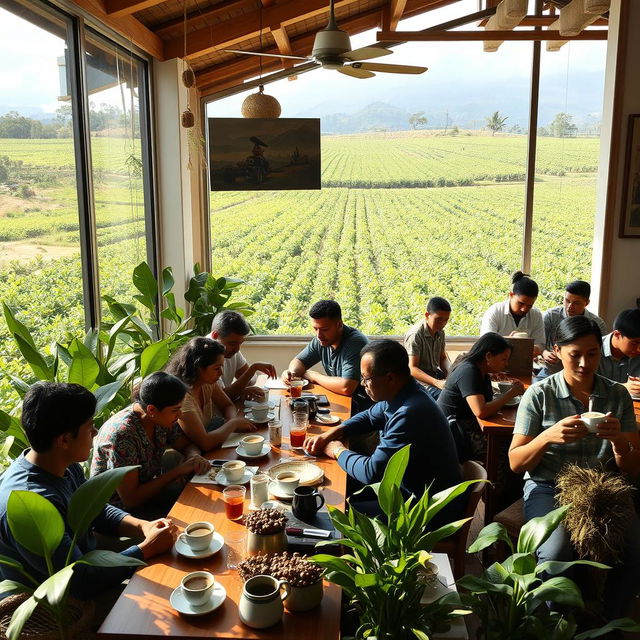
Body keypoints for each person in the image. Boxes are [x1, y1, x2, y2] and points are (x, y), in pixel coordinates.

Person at [509, 316, 640, 620]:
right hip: (548, 487)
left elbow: (632, 466)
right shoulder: (539, 394)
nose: (584, 363)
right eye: (574, 354)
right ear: (558, 350)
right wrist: (547, 436)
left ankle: (610, 621)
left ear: (601, 351)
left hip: (603, 489)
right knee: (555, 554)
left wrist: (619, 440)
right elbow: (516, 463)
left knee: (636, 550)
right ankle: (558, 623)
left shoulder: (616, 395)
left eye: (592, 354)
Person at [0, 382, 176, 601]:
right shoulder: (31, 503)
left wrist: (144, 526)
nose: (95, 432)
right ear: (64, 440)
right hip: (55, 608)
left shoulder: (60, 461)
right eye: (90, 427)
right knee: (165, 597)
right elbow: (79, 581)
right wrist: (146, 549)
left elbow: (93, 509)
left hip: (86, 563)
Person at [303, 340, 462, 522]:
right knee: (341, 490)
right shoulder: (404, 392)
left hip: (428, 509)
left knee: (333, 511)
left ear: (390, 378)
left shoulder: (410, 413)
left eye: (366, 378)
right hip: (406, 490)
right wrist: (333, 432)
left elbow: (372, 473)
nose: (363, 384)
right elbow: (370, 416)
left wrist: (337, 450)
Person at [91, 371, 210, 519]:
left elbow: (186, 445)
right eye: (175, 410)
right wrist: (178, 471)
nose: (180, 415)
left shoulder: (161, 418)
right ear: (152, 409)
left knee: (204, 498)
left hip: (150, 494)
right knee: (195, 514)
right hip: (119, 514)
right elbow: (131, 499)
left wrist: (194, 457)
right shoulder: (122, 435)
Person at [165, 337, 256, 451]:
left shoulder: (206, 383)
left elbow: (227, 405)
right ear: (198, 367)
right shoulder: (182, 397)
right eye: (217, 368)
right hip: (187, 457)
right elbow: (205, 443)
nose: (221, 372)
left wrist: (231, 421)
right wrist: (233, 424)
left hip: (207, 448)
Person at [281, 299, 370, 413]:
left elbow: (347, 387)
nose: (319, 335)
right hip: (341, 402)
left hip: (362, 409)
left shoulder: (355, 343)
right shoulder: (322, 339)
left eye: (324, 329)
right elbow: (299, 361)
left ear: (339, 324)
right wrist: (291, 373)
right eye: (315, 329)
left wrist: (314, 376)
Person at [538, 280, 607, 380]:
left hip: (582, 375)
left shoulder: (598, 324)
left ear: (587, 303)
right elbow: (540, 343)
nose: (570, 307)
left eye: (576, 303)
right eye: (567, 301)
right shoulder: (551, 316)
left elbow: (601, 355)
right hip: (551, 372)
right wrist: (544, 352)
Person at [209, 310, 276, 401]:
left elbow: (251, 380)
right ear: (215, 335)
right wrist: (253, 368)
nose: (237, 349)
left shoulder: (230, 351)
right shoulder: (205, 356)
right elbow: (222, 399)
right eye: (232, 344)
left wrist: (242, 389)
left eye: (240, 343)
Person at [480, 271, 545, 355]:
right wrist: (509, 341)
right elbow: (486, 343)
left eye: (529, 306)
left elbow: (541, 344)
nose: (524, 309)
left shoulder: (536, 315)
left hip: (524, 363)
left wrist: (535, 348)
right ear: (511, 295)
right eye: (520, 303)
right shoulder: (495, 311)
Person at [404, 296, 451, 400]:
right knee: (447, 398)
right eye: (438, 319)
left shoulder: (440, 332)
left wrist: (450, 372)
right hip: (419, 382)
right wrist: (437, 382)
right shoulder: (415, 335)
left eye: (446, 320)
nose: (443, 324)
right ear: (427, 315)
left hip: (434, 375)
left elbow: (442, 358)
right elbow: (412, 368)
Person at [598, 308, 640, 396]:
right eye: (635, 343)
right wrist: (621, 388)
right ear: (617, 334)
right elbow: (583, 385)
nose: (639, 349)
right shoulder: (594, 350)